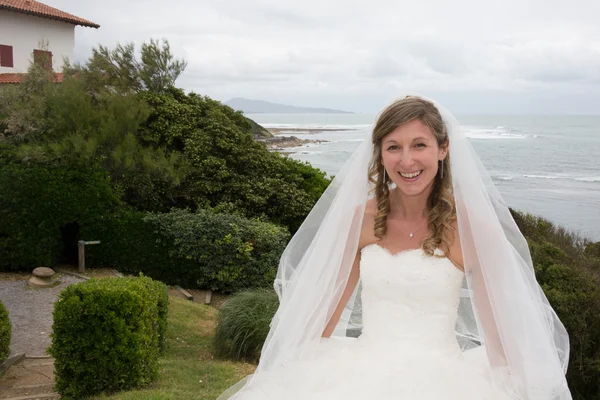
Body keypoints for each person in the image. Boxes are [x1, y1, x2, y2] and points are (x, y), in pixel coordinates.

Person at [217, 96, 572, 400]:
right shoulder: (362, 218)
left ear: (443, 149)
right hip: (359, 375)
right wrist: (287, 372)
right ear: (380, 154)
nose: (406, 161)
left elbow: (500, 330)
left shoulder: (470, 227)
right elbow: (324, 312)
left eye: (419, 145)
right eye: (393, 147)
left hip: (446, 380)